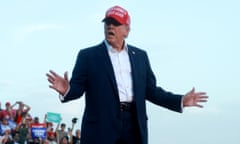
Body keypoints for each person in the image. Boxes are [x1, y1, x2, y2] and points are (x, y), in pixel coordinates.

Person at [46, 5, 208, 144]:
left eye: (116, 24)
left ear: (127, 30)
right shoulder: (88, 56)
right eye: (108, 23)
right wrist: (67, 90)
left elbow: (151, 91)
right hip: (101, 127)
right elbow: (77, 89)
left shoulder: (141, 56)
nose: (111, 27)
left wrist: (180, 100)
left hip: (133, 126)